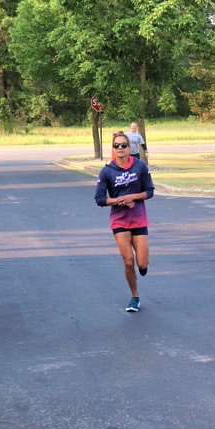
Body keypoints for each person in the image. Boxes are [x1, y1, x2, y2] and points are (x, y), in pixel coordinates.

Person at [94, 130, 154, 312]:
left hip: (139, 219)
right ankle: (135, 297)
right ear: (113, 148)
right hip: (119, 220)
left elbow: (149, 191)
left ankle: (142, 267)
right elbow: (99, 199)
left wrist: (132, 197)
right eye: (116, 145)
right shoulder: (107, 171)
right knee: (128, 261)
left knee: (141, 264)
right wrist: (120, 200)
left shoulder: (140, 167)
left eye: (123, 145)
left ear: (129, 148)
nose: (120, 148)